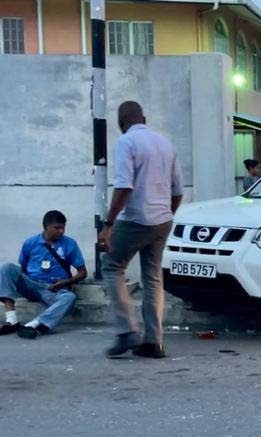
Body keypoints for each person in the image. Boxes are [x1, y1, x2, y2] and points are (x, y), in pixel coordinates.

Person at [100, 101, 183, 359]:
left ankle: (127, 331)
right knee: (153, 278)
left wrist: (109, 224)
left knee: (112, 266)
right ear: (143, 118)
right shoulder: (165, 144)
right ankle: (154, 342)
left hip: (135, 219)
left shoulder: (127, 142)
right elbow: (178, 191)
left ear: (120, 122)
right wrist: (164, 212)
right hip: (162, 220)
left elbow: (124, 186)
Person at [0, 211, 87, 339]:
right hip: (31, 284)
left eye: (63, 228)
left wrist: (66, 282)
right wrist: (26, 283)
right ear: (45, 226)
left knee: (70, 297)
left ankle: (34, 325)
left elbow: (83, 272)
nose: (61, 231)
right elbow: (23, 268)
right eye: (57, 228)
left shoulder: (70, 244)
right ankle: (11, 320)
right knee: (6, 267)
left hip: (53, 289)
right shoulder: (30, 243)